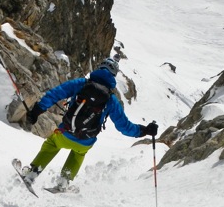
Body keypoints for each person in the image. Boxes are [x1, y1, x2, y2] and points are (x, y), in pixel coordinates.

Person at [20, 57, 158, 190]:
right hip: (86, 141)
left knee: (52, 144)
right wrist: (144, 130)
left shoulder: (80, 84)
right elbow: (124, 127)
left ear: (99, 68)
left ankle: (32, 173)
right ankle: (64, 181)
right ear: (113, 75)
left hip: (66, 133)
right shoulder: (111, 99)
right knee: (78, 154)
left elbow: (55, 94)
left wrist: (37, 111)